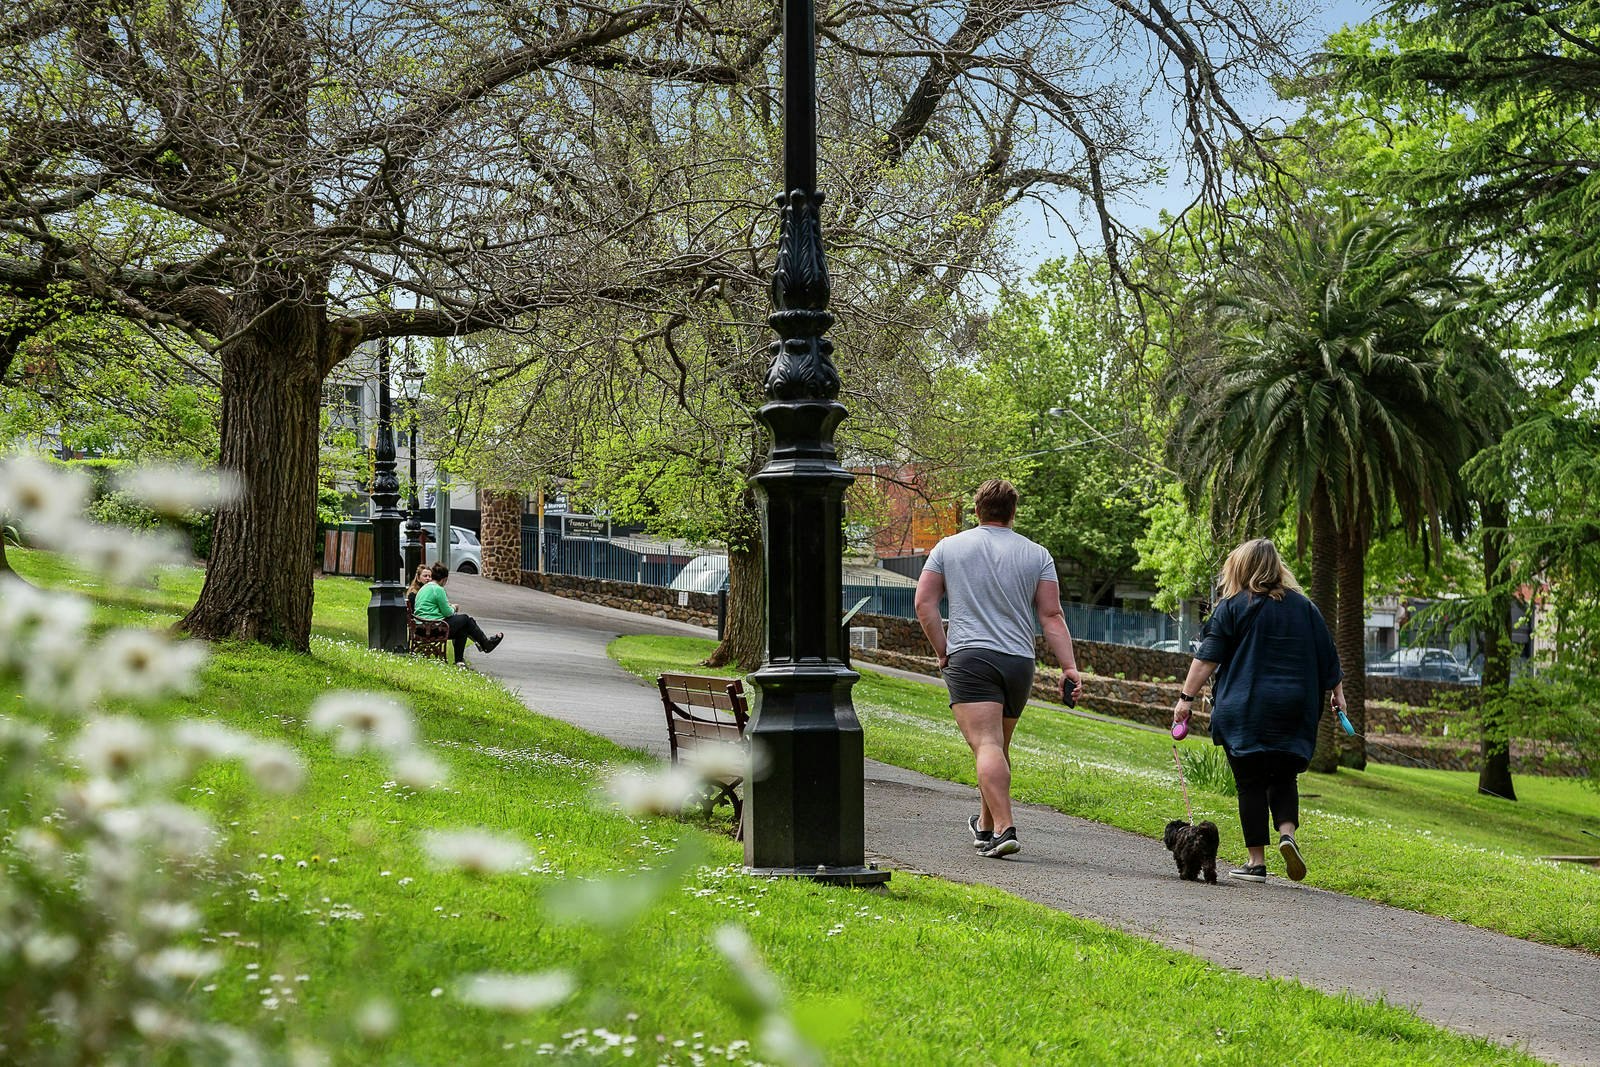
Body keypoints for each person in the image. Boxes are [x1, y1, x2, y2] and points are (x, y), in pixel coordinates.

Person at [914, 479, 1082, 859]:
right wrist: (1069, 667)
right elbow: (1051, 615)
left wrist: (943, 650)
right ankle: (986, 826)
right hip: (1019, 661)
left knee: (986, 744)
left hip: (972, 658)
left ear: (977, 510)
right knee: (998, 746)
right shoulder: (1037, 554)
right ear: (1013, 512)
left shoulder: (948, 547)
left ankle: (1006, 828)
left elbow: (924, 604)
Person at [1172, 538, 1345, 883]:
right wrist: (1338, 695)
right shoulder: (1305, 607)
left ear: (1240, 568)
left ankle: (1256, 862)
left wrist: (1185, 699)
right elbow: (1329, 656)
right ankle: (1287, 835)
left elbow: (1207, 658)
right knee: (1284, 776)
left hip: (1246, 706)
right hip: (1295, 708)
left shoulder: (1233, 606)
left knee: (1249, 782)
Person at [413, 562, 504, 663]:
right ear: (444, 579)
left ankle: (460, 661)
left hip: (421, 627)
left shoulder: (423, 589)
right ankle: (485, 644)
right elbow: (447, 613)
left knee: (463, 629)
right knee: (465, 619)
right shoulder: (438, 589)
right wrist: (454, 607)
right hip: (433, 628)